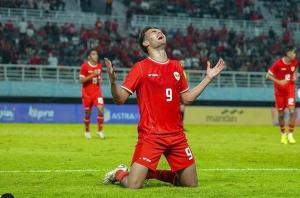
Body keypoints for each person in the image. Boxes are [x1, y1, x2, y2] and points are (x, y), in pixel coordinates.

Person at [103, 27, 225, 189]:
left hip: (176, 136)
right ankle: (119, 173)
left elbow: (187, 98)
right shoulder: (140, 68)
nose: (159, 32)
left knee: (191, 184)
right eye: (153, 32)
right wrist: (112, 83)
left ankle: (151, 173)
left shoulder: (176, 66)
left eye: (160, 31)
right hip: (151, 135)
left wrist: (208, 79)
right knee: (133, 185)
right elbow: (120, 99)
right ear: (146, 43)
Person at [266, 46, 298, 144]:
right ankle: (283, 134)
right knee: (281, 114)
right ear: (288, 53)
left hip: (290, 90)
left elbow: (295, 70)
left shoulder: (295, 62)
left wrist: (294, 76)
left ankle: (290, 135)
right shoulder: (278, 64)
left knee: (292, 111)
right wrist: (279, 81)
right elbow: (267, 76)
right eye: (293, 52)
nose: (295, 54)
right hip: (279, 93)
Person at [79, 48, 105, 139]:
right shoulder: (84, 67)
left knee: (101, 110)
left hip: (97, 93)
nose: (96, 56)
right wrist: (92, 75)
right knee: (87, 113)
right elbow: (81, 80)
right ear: (89, 57)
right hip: (87, 94)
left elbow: (99, 78)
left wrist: (99, 79)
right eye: (93, 54)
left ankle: (100, 131)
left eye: (96, 54)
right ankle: (87, 131)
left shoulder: (99, 66)